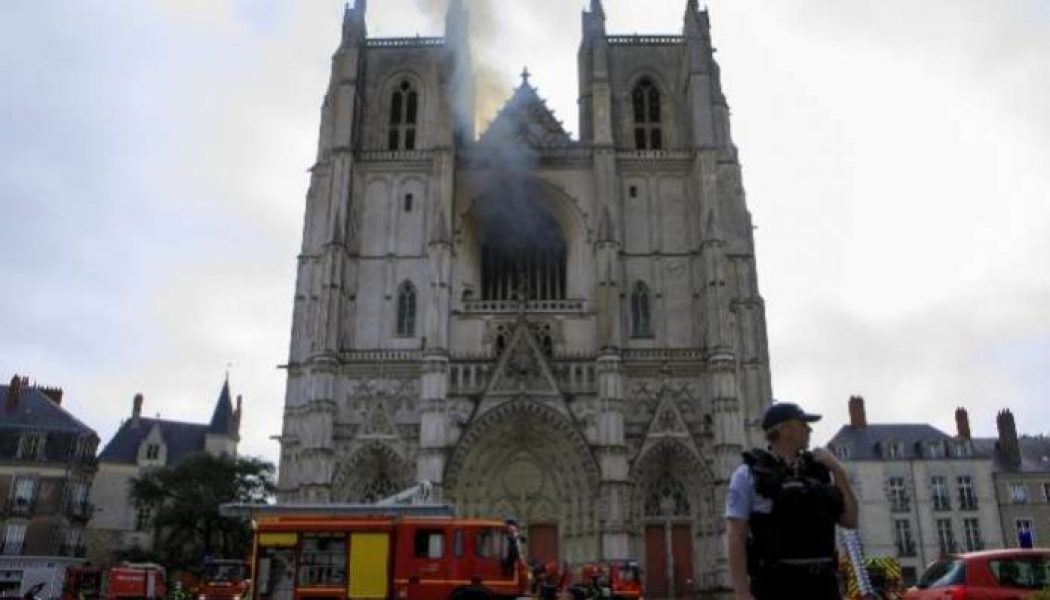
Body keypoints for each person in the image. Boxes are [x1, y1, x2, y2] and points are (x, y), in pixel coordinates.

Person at [725, 402, 859, 600]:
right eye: (804, 424)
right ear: (786, 429)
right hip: (776, 585)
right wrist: (742, 592)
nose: (809, 429)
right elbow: (736, 535)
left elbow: (850, 520)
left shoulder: (818, 470)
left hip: (822, 585)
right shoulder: (748, 474)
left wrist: (837, 471)